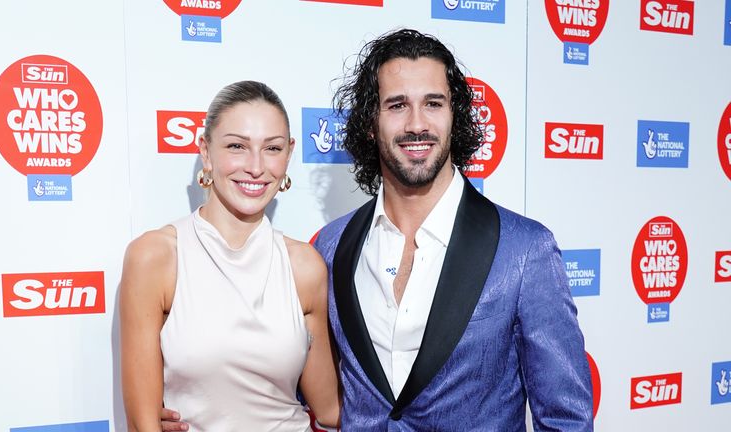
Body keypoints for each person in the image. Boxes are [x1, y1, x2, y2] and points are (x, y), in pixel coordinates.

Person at [161, 29, 592, 431]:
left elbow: (566, 419)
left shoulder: (524, 249)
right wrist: (199, 409)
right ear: (371, 123)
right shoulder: (330, 247)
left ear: (454, 116)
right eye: (397, 104)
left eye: (434, 103)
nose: (417, 124)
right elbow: (297, 381)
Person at [121, 81, 339, 432]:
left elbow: (331, 409)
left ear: (289, 154)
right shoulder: (155, 258)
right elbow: (142, 424)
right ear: (205, 152)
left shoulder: (304, 266)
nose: (256, 167)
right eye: (237, 146)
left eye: (272, 148)